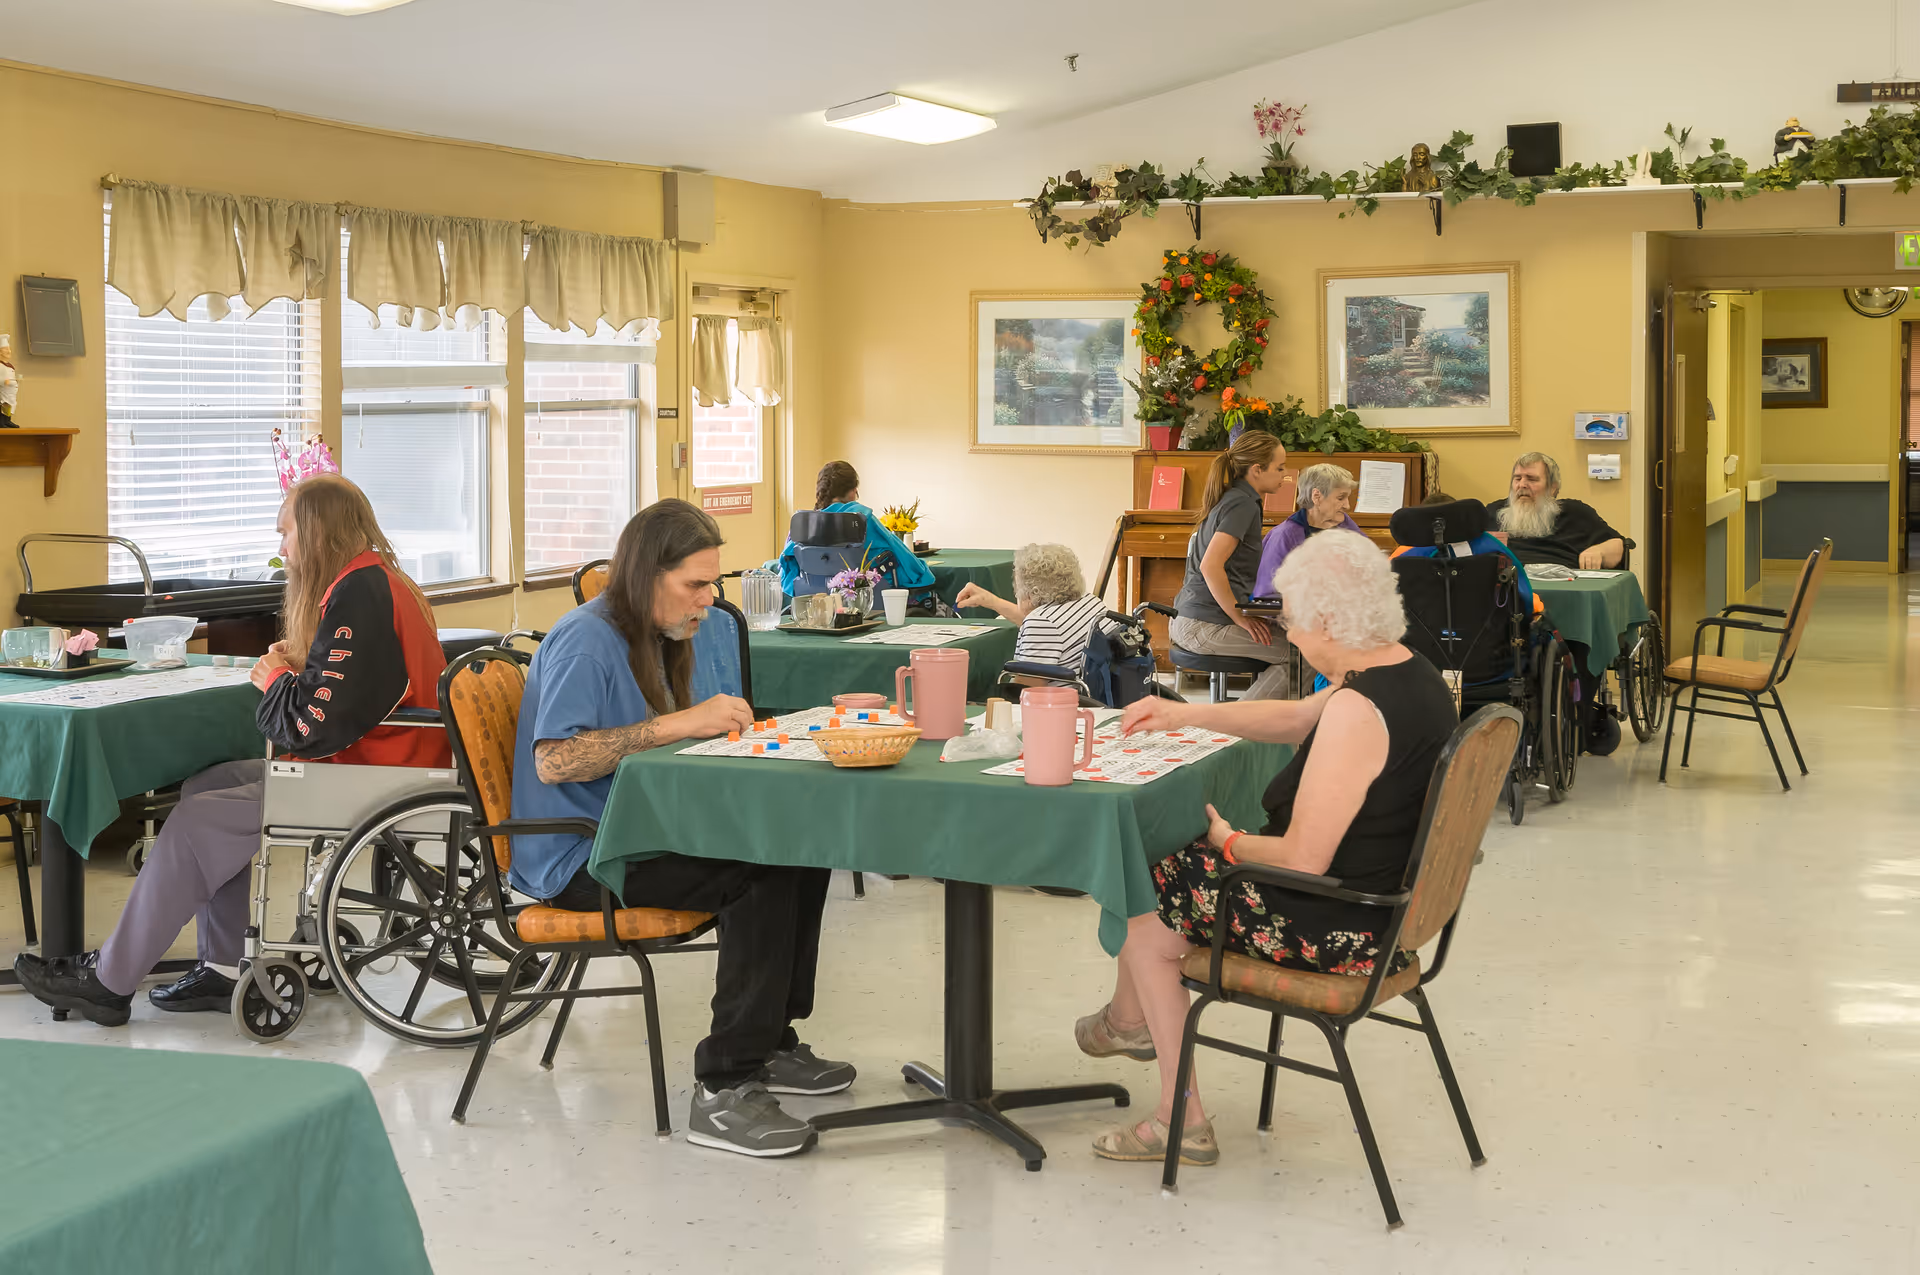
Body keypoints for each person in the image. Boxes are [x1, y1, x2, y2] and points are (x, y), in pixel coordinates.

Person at [1073, 532, 1459, 1166]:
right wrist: (1186, 717)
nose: (1291, 636)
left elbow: (1303, 858)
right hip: (1391, 913)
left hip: (1336, 922)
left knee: (1143, 894)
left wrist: (1232, 843)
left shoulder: (1360, 709)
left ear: (1331, 618)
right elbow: (1301, 717)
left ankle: (1177, 1114)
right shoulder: (1405, 672)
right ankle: (1128, 1022)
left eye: (1295, 621)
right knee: (1160, 868)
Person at [13, 474, 448, 1025]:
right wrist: (304, 663)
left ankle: (108, 980)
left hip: (379, 776)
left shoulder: (361, 592)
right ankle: (222, 969)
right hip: (387, 760)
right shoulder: (374, 580)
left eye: (286, 534)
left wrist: (273, 679)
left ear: (316, 533)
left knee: (200, 817)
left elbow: (311, 725)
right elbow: (355, 690)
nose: (282, 549)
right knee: (208, 783)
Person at [513, 498, 853, 1160]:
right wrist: (678, 723)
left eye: (713, 584)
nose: (708, 601)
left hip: (638, 832)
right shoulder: (586, 639)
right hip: (582, 855)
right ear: (647, 576)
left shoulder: (666, 633)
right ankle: (724, 1085)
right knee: (760, 871)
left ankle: (770, 1039)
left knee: (801, 846)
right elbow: (553, 760)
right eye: (694, 585)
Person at [1168, 432, 1294, 699]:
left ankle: (1256, 727)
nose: (1285, 475)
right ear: (1257, 470)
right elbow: (1210, 566)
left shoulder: (1238, 498)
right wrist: (1240, 617)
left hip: (1195, 619)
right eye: (1280, 468)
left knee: (1294, 640)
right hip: (1203, 625)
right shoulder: (1242, 504)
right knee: (1305, 653)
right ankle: (1237, 725)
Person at [776, 460, 934, 596]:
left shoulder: (802, 524)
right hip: (867, 602)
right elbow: (904, 557)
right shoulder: (862, 520)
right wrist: (922, 571)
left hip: (814, 603)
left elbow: (785, 571)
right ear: (852, 491)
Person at [954, 542, 1113, 674]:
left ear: (1029, 592)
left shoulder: (1040, 624)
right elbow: (1049, 624)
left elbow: (1026, 687)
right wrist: (990, 601)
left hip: (1059, 704)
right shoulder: (1088, 602)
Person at [1483, 452, 1625, 569]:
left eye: (1531, 479)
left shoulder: (1574, 513)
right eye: (1517, 478)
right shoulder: (1494, 511)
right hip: (1502, 593)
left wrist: (1599, 551)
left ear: (1552, 488)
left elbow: (1618, 544)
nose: (1522, 485)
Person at [1252, 462, 1363, 595]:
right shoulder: (1283, 535)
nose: (1347, 506)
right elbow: (1266, 595)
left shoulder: (1347, 526)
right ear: (1316, 496)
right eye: (1341, 498)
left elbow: (1370, 569)